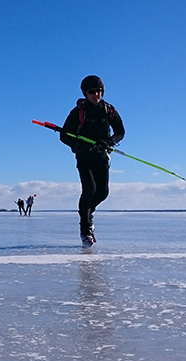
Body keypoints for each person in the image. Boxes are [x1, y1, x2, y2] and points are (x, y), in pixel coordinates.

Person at [59, 75, 125, 246]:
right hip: (84, 157)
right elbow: (64, 135)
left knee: (102, 192)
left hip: (101, 156)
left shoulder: (108, 110)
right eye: (92, 92)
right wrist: (78, 146)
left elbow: (120, 132)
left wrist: (108, 142)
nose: (97, 95)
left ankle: (87, 213)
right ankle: (85, 228)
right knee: (90, 189)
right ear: (85, 93)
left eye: (99, 91)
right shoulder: (78, 112)